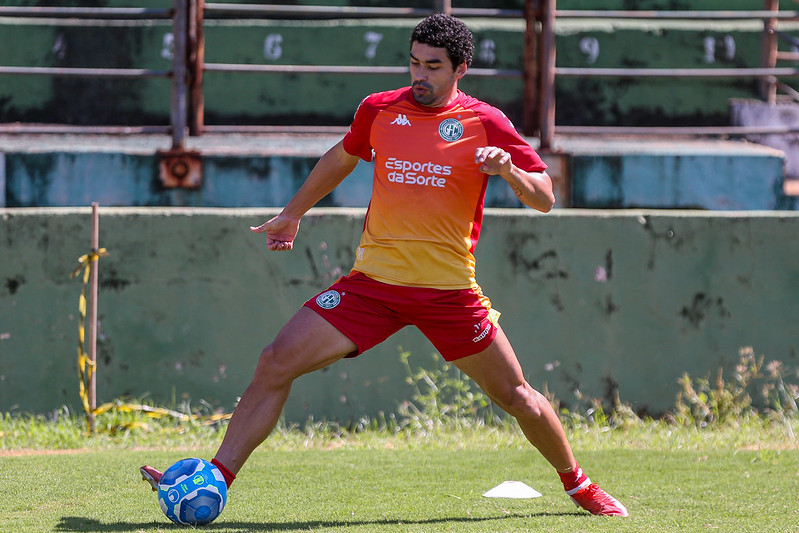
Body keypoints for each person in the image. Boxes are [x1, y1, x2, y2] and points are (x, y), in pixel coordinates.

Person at [141, 13, 628, 517]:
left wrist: (508, 172)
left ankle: (578, 485)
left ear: (460, 69)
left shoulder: (487, 123)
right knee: (275, 360)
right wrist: (292, 215)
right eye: (414, 62)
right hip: (372, 287)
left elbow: (545, 197)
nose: (419, 74)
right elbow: (342, 157)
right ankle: (216, 477)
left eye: (433, 66)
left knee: (517, 396)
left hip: (448, 294)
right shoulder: (379, 109)